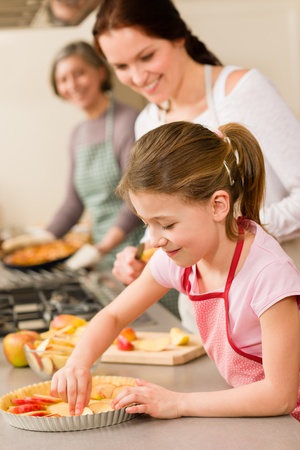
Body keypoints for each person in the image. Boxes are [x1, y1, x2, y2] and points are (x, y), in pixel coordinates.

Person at [51, 121, 300, 421]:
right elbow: (114, 315)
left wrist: (178, 403)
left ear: (218, 206)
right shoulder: (178, 259)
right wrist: (79, 361)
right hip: (255, 416)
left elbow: (279, 395)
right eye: (147, 223)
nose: (154, 239)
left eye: (167, 224)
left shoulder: (268, 274)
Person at [91, 0, 300, 330]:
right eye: (121, 66)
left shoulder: (242, 91)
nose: (138, 76)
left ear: (178, 37)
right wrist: (145, 252)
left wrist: (231, 232)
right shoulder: (147, 121)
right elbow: (169, 213)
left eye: (146, 56)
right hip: (206, 320)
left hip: (276, 307)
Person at [2, 41, 144, 271]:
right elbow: (73, 203)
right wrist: (44, 237)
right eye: (63, 79)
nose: (72, 85)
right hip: (104, 256)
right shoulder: (78, 134)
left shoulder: (128, 121)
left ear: (100, 72)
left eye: (79, 73)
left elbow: (138, 197)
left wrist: (103, 247)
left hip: (138, 252)